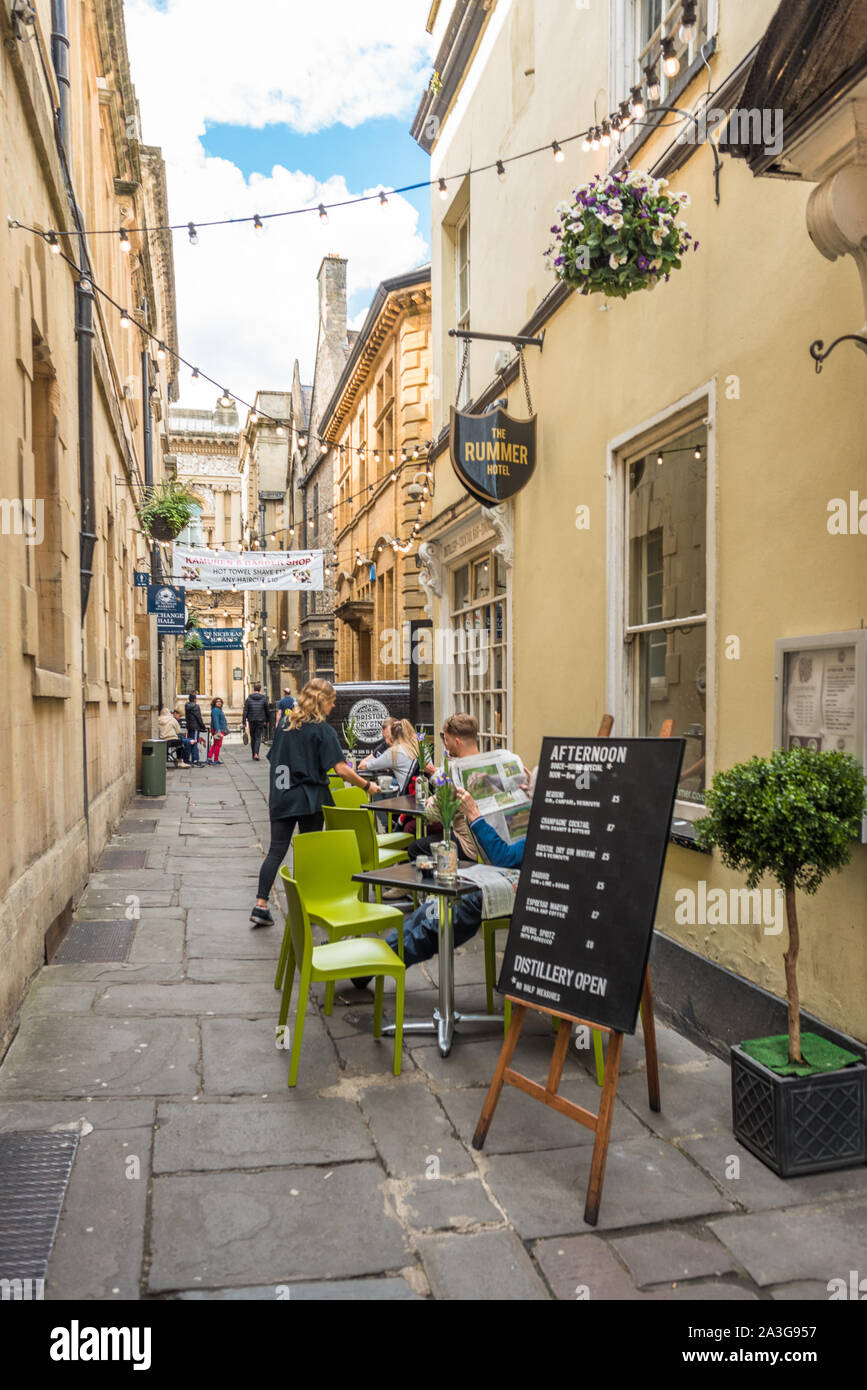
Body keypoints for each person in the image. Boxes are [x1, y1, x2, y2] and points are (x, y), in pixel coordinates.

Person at [352, 780, 531, 985]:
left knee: (443, 916)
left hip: (517, 891)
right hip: (501, 879)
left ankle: (375, 963)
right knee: (431, 909)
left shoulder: (546, 827)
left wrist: (474, 816)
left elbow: (505, 858)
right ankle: (374, 960)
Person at [250, 679, 379, 928]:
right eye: (331, 702)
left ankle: (261, 904)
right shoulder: (322, 730)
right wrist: (366, 785)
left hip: (281, 793)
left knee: (276, 850)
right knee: (308, 852)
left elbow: (275, 758)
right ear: (322, 701)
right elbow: (341, 769)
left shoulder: (285, 724)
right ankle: (306, 907)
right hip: (310, 798)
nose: (332, 707)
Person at [408, 712, 481, 862]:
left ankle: (437, 883)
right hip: (488, 842)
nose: (445, 745)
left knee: (415, 848)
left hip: (468, 846)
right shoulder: (485, 763)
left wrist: (429, 801)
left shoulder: (455, 770)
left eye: (447, 740)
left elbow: (433, 814)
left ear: (458, 741)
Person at [359, 718, 417, 789]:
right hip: (417, 790)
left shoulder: (393, 752)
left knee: (381, 783)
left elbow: (362, 766)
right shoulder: (416, 745)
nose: (386, 741)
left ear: (393, 734)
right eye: (384, 738)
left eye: (388, 737)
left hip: (406, 792)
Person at [243, 683, 270, 761]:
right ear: (260, 689)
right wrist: (268, 720)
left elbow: (245, 711)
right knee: (258, 737)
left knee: (253, 737)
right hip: (260, 720)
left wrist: (244, 722)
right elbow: (267, 710)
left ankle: (253, 754)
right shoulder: (264, 698)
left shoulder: (249, 699)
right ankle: (256, 754)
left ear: (253, 689)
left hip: (251, 720)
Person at [184, 693, 206, 767]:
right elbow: (198, 717)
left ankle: (187, 759)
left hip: (189, 726)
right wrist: (203, 726)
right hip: (195, 727)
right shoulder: (196, 706)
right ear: (195, 699)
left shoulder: (186, 706)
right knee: (194, 742)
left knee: (190, 742)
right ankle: (195, 760)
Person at [208, 697, 228, 765]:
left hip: (219, 729)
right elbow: (216, 721)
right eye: (217, 701)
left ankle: (209, 758)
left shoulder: (218, 710)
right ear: (214, 703)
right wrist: (218, 731)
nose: (219, 703)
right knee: (218, 745)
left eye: (220, 701)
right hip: (217, 729)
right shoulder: (216, 710)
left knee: (215, 744)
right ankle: (215, 759)